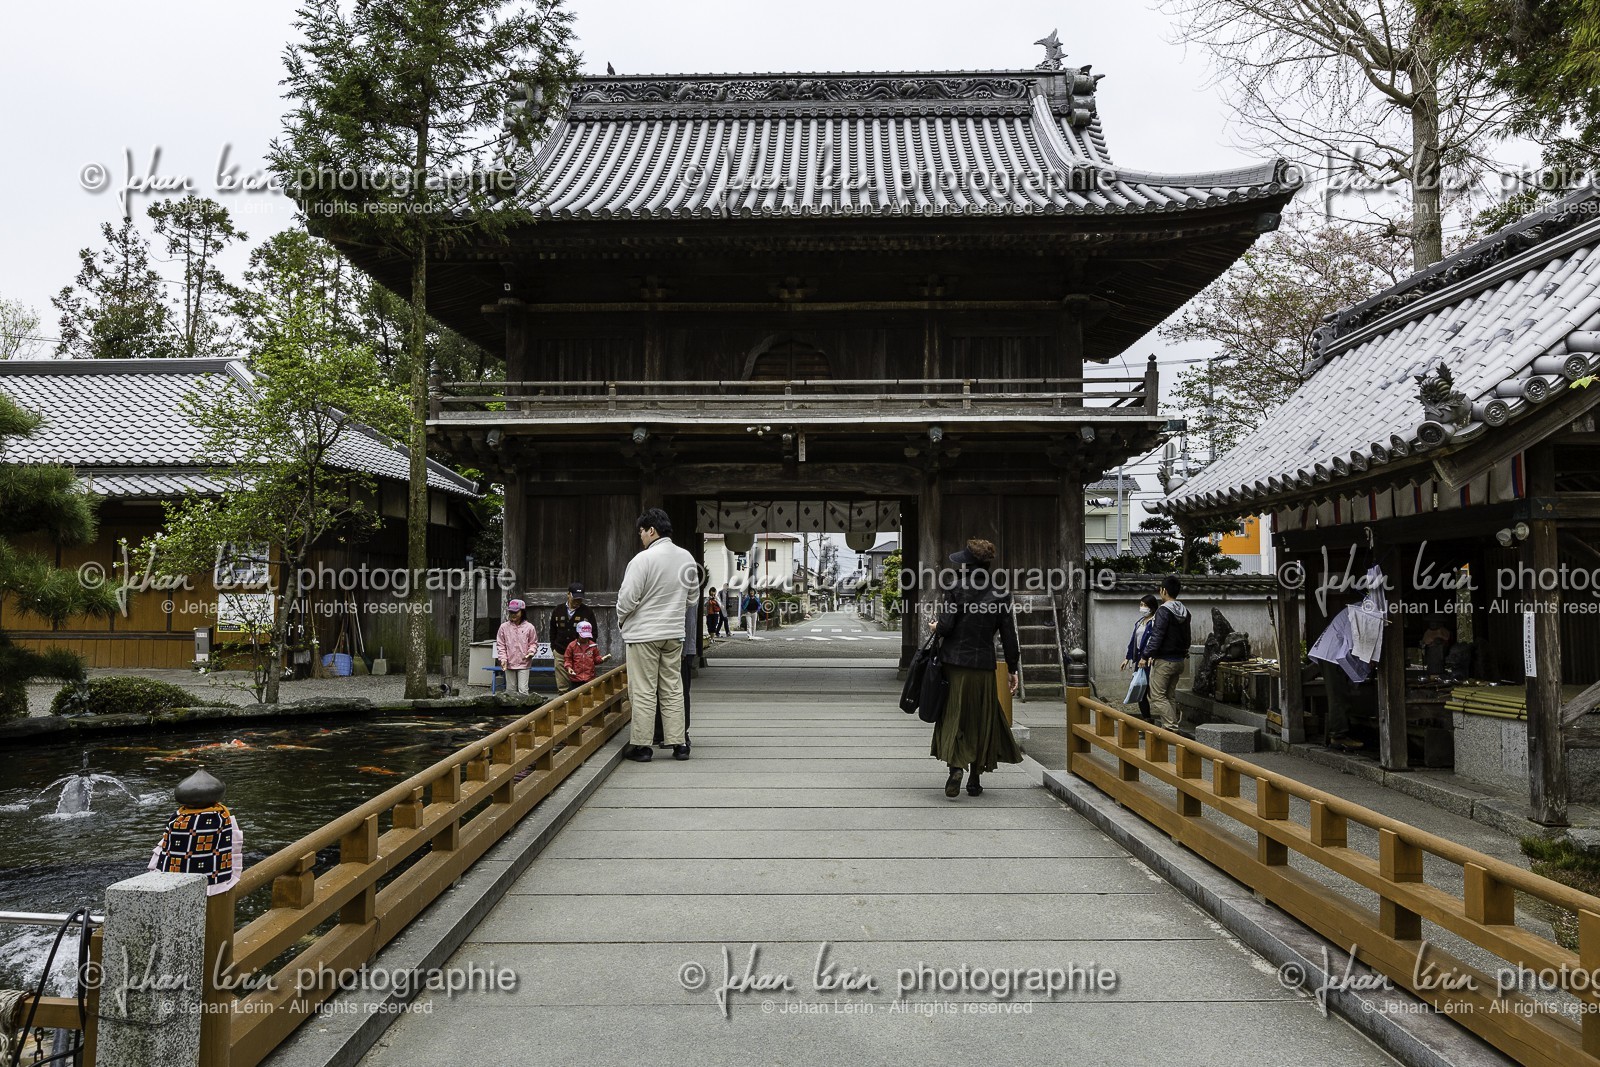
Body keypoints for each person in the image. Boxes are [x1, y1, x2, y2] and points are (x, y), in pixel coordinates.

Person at [927, 538, 1022, 799]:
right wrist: (1013, 668)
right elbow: (1008, 634)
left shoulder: (956, 588)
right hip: (983, 664)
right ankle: (975, 778)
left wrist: (935, 627)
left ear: (968, 563)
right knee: (981, 718)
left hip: (955, 664)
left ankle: (956, 767)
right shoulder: (1001, 593)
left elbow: (946, 627)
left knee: (955, 715)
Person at [616, 508, 696, 762]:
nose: (640, 537)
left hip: (643, 634)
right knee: (673, 687)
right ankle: (679, 743)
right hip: (673, 633)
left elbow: (627, 598)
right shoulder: (687, 558)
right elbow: (692, 597)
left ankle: (642, 745)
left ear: (652, 530)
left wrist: (622, 619)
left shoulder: (643, 559)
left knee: (643, 689)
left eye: (641, 531)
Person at [1138, 576, 1191, 728]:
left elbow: (1157, 636)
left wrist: (1145, 655)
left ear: (1164, 591)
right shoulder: (1185, 611)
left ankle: (1171, 727)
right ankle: (1170, 725)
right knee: (1169, 695)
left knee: (1157, 696)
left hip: (1164, 660)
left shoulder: (1163, 611)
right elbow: (1187, 637)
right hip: (1179, 660)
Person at [657, 592, 699, 750]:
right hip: (677, 644)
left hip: (680, 647)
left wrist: (683, 649)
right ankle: (666, 732)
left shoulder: (684, 582)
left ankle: (681, 733)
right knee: (672, 689)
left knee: (678, 691)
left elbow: (688, 620)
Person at [548, 582, 598, 693]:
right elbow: (552, 631)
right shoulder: (558, 610)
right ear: (568, 594)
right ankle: (563, 707)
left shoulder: (587, 612)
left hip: (580, 655)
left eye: (580, 599)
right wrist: (554, 648)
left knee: (581, 686)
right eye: (575, 598)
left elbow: (593, 633)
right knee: (562, 687)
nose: (578, 602)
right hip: (560, 651)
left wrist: (586, 650)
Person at [1121, 594, 1160, 721]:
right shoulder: (1139, 622)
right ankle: (1147, 719)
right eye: (1141, 605)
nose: (1142, 608)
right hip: (1139, 660)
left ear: (1152, 607)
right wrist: (1127, 658)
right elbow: (1134, 640)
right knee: (1140, 689)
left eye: (1145, 605)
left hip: (1149, 660)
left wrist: (1151, 655)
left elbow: (1155, 641)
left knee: (1152, 691)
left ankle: (1163, 720)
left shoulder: (1155, 623)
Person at [494, 598, 539, 696]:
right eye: (511, 612)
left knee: (523, 690)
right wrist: (503, 659)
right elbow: (501, 645)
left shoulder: (529, 627)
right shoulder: (504, 627)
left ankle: (525, 711)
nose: (513, 614)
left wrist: (531, 652)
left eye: (516, 612)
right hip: (509, 663)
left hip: (524, 663)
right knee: (510, 691)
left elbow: (533, 643)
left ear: (522, 612)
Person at [562, 620, 608, 686]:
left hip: (590, 678)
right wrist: (569, 668)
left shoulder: (593, 646)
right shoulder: (572, 646)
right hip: (575, 679)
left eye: (587, 636)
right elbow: (567, 659)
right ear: (578, 633)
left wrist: (602, 659)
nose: (585, 638)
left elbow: (595, 659)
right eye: (583, 636)